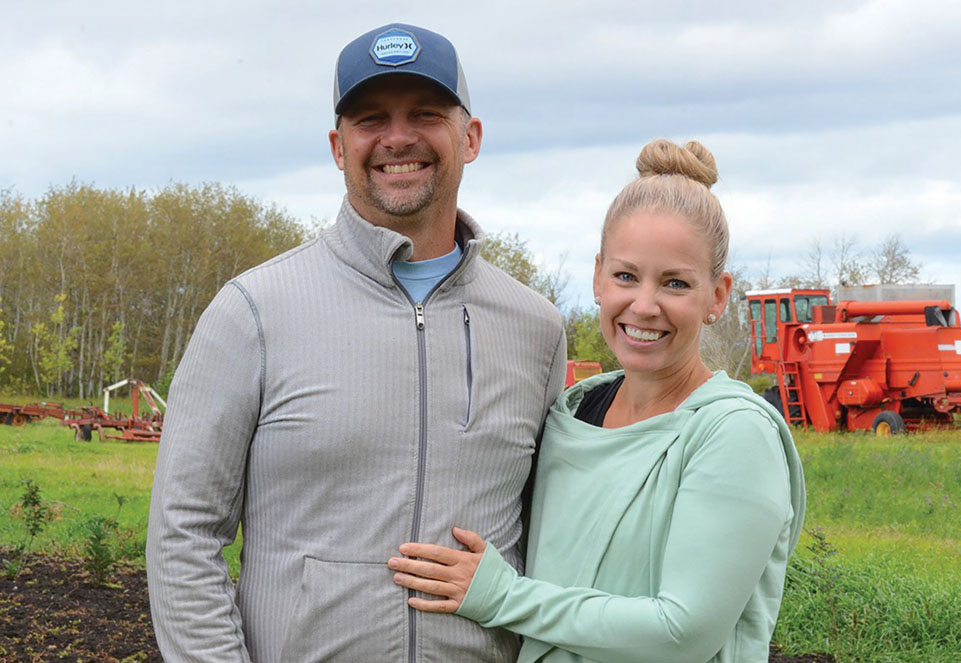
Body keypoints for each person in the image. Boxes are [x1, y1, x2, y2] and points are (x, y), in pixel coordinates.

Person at [146, 23, 566, 663]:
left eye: (425, 113)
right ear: (339, 147)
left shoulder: (535, 326)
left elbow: (549, 537)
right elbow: (183, 534)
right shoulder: (253, 312)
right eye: (371, 119)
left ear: (470, 138)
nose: (398, 137)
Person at [389, 139, 807, 663]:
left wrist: (500, 596)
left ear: (717, 296)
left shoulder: (732, 433)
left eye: (675, 283)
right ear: (596, 276)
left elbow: (684, 632)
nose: (645, 305)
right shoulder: (573, 413)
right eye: (626, 276)